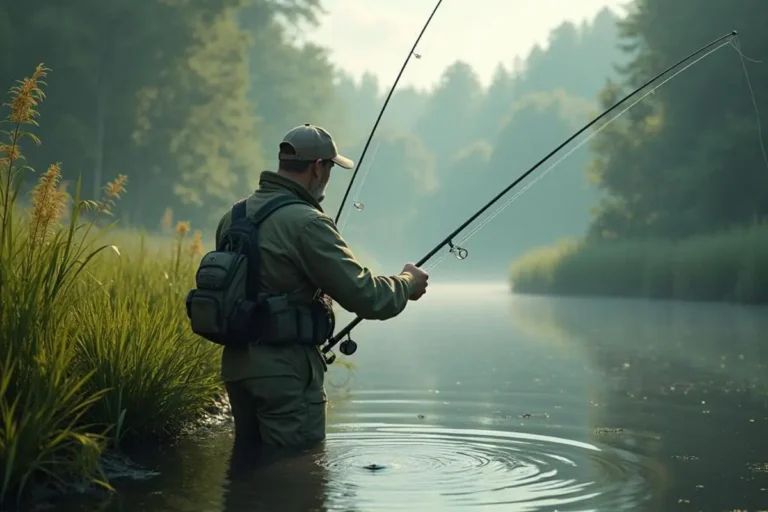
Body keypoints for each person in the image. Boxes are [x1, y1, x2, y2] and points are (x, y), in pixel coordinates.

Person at [214, 123, 429, 449]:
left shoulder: (234, 216)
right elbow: (367, 296)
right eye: (330, 168)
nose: (328, 178)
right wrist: (407, 282)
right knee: (296, 477)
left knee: (248, 466)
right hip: (285, 374)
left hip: (237, 368)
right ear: (318, 168)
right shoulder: (308, 222)